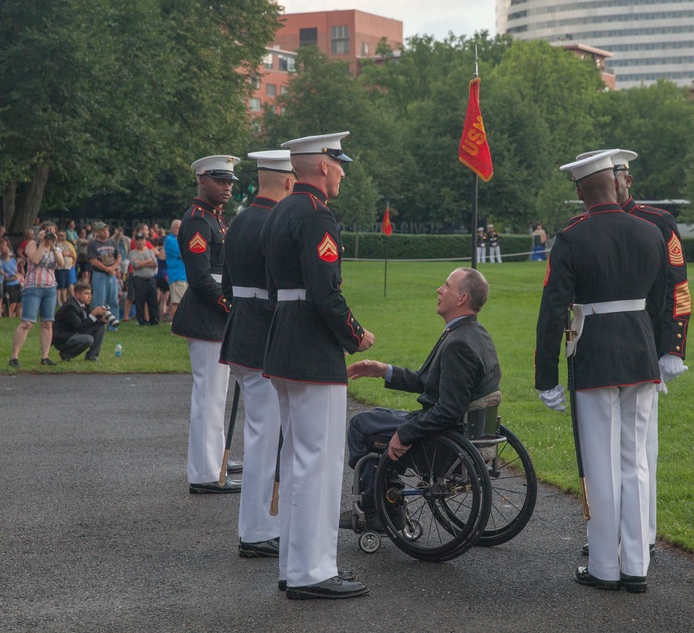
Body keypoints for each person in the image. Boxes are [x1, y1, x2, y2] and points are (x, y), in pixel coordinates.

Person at [535, 149, 667, 594]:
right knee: (636, 462)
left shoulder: (572, 237)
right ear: (615, 183)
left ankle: (605, 569)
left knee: (601, 464)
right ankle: (636, 566)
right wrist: (661, 351)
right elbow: (662, 303)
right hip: (641, 352)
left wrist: (545, 375)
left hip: (593, 354)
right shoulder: (650, 232)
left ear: (580, 191)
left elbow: (554, 309)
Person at [261, 131, 374, 601]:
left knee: (294, 457)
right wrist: (355, 336)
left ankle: (294, 564)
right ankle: (312, 571)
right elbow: (325, 291)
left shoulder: (281, 210)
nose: (343, 171)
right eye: (339, 163)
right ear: (322, 166)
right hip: (311, 346)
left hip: (285, 338)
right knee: (317, 460)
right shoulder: (315, 214)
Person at [574, 149, 692, 558]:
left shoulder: (658, 222)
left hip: (646, 349)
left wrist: (672, 349)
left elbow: (677, 289)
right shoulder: (583, 226)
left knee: (641, 452)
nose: (616, 180)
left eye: (620, 173)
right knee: (608, 455)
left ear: (628, 178)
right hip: (605, 349)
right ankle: (608, 538)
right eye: (611, 174)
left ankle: (643, 536)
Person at [345, 267, 501, 526]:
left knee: (361, 426)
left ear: (461, 298)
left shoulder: (458, 344)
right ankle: (385, 499)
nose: (439, 290)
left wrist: (406, 433)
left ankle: (378, 509)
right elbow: (427, 382)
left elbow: (449, 409)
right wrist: (383, 371)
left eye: (447, 286)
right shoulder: (474, 333)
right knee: (375, 417)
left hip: (441, 442)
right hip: (456, 432)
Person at [219, 149, 295, 560]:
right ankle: (257, 529)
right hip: (265, 335)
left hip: (241, 331)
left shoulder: (240, 220)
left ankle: (262, 523)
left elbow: (229, 285)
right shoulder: (274, 223)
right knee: (266, 439)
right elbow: (277, 289)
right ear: (287, 181)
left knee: (260, 435)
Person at [172, 155, 239, 495]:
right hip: (208, 315)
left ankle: (214, 462)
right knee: (209, 397)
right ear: (202, 180)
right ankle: (204, 473)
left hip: (215, 316)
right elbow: (200, 278)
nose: (226, 186)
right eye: (219, 180)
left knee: (215, 396)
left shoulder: (215, 219)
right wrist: (231, 306)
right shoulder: (198, 221)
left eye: (229, 181)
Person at [10, 221, 65, 367]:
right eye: (47, 231)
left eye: (52, 232)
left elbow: (61, 263)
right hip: (33, 287)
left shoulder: (56, 249)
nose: (50, 234)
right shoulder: (32, 244)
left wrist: (52, 246)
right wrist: (41, 242)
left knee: (47, 323)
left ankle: (45, 357)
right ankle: (14, 357)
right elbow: (34, 259)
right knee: (27, 322)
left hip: (50, 288)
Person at [52, 281, 107, 361]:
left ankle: (92, 356)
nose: (89, 296)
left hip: (74, 333)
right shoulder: (70, 307)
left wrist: (100, 319)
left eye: (90, 293)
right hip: (63, 338)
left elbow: (88, 321)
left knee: (100, 325)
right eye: (86, 294)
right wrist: (93, 314)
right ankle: (66, 354)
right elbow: (81, 327)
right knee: (88, 339)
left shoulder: (85, 303)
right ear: (77, 294)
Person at [87, 222, 121, 331]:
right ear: (97, 232)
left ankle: (113, 324)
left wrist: (114, 267)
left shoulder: (112, 242)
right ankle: (97, 324)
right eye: (103, 230)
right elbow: (93, 261)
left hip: (112, 275)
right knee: (99, 301)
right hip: (100, 275)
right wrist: (107, 269)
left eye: (107, 230)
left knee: (114, 300)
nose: (106, 232)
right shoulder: (93, 244)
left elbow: (118, 256)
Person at [128, 233, 159, 325]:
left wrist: (142, 263)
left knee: (153, 300)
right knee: (140, 301)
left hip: (151, 278)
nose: (140, 242)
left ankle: (154, 320)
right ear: (135, 241)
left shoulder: (150, 252)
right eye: (138, 240)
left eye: (142, 240)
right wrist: (148, 261)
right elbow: (136, 265)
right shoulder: (132, 253)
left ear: (145, 241)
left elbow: (154, 263)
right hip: (139, 279)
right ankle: (142, 320)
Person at [165, 219, 187, 322]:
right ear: (172, 229)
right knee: (176, 302)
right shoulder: (170, 240)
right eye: (178, 228)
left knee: (181, 301)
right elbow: (183, 254)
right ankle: (175, 326)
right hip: (177, 275)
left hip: (183, 275)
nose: (180, 230)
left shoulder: (178, 239)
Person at [0, 240, 23, 318]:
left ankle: (19, 318)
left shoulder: (13, 260)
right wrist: (10, 278)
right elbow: (2, 275)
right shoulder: (1, 261)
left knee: (19, 304)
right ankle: (9, 317)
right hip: (9, 284)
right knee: (11, 305)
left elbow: (16, 271)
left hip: (16, 283)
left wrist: (17, 275)